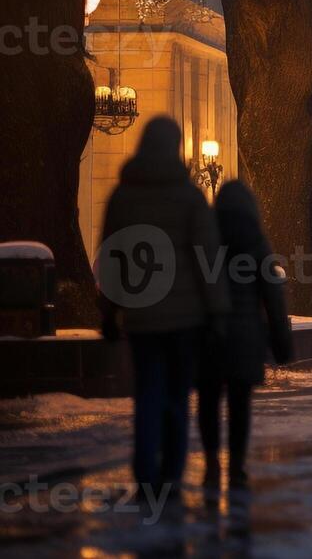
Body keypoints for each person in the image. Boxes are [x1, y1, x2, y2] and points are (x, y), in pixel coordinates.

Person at [97, 117, 230, 498]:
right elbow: (209, 260)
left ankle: (144, 473)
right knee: (176, 394)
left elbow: (111, 257)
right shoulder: (189, 197)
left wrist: (108, 310)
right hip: (186, 320)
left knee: (148, 392)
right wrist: (217, 312)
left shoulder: (122, 197)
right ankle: (171, 472)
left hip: (140, 316)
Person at [197, 180, 289, 495]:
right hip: (246, 336)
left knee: (208, 402)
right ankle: (236, 467)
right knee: (239, 404)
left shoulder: (205, 238)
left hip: (209, 333)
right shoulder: (256, 242)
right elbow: (273, 296)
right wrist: (281, 341)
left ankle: (211, 463)